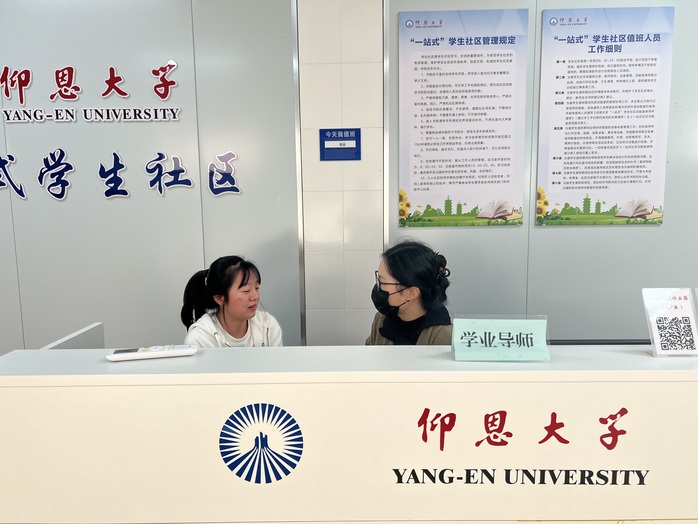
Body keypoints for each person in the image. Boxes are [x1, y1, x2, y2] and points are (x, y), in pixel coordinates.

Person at [181, 255, 282, 347]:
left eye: (257, 288)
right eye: (246, 290)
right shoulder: (200, 339)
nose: (255, 296)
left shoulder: (267, 326)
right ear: (220, 298)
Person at [366, 240, 452, 345]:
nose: (378, 287)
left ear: (411, 293)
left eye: (383, 282)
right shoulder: (381, 319)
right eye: (378, 280)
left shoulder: (442, 337)